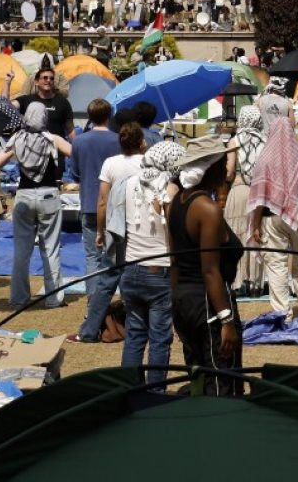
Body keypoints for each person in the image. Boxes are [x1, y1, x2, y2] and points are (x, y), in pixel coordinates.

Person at [168, 137, 244, 395]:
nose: (225, 169)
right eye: (222, 163)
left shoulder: (177, 203)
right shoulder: (208, 209)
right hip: (209, 304)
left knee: (198, 378)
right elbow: (210, 269)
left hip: (184, 302)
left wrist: (176, 307)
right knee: (220, 383)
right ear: (208, 168)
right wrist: (227, 321)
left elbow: (174, 262)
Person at [69, 121, 148, 342]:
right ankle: (139, 326)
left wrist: (101, 231)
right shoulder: (147, 163)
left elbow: (102, 201)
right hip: (141, 226)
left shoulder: (111, 164)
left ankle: (89, 330)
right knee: (138, 279)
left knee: (106, 281)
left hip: (117, 227)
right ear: (141, 141)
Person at [0, 102, 73, 310]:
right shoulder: (52, 139)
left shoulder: (18, 139)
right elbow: (74, 153)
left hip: (24, 196)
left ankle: (19, 297)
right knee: (51, 249)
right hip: (49, 195)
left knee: (21, 250)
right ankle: (54, 298)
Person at [120, 140, 183, 386]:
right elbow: (174, 234)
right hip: (160, 269)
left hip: (131, 265)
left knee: (134, 336)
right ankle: (155, 391)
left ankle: (128, 389)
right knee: (159, 338)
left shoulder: (128, 185)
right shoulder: (169, 190)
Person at [248, 117, 298, 320]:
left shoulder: (265, 159)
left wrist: (255, 224)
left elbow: (260, 197)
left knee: (276, 264)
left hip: (273, 217)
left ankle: (282, 312)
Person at [68, 98, 121, 296]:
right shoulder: (118, 141)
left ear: (89, 117)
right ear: (109, 116)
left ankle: (93, 302)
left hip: (89, 202)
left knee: (92, 256)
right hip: (115, 205)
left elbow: (75, 174)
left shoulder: (79, 141)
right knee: (118, 256)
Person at [224, 105, 266, 296]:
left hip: (239, 189)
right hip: (259, 192)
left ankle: (238, 281)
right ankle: (256, 284)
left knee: (238, 235)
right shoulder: (266, 141)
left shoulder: (234, 141)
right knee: (256, 234)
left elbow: (230, 171)